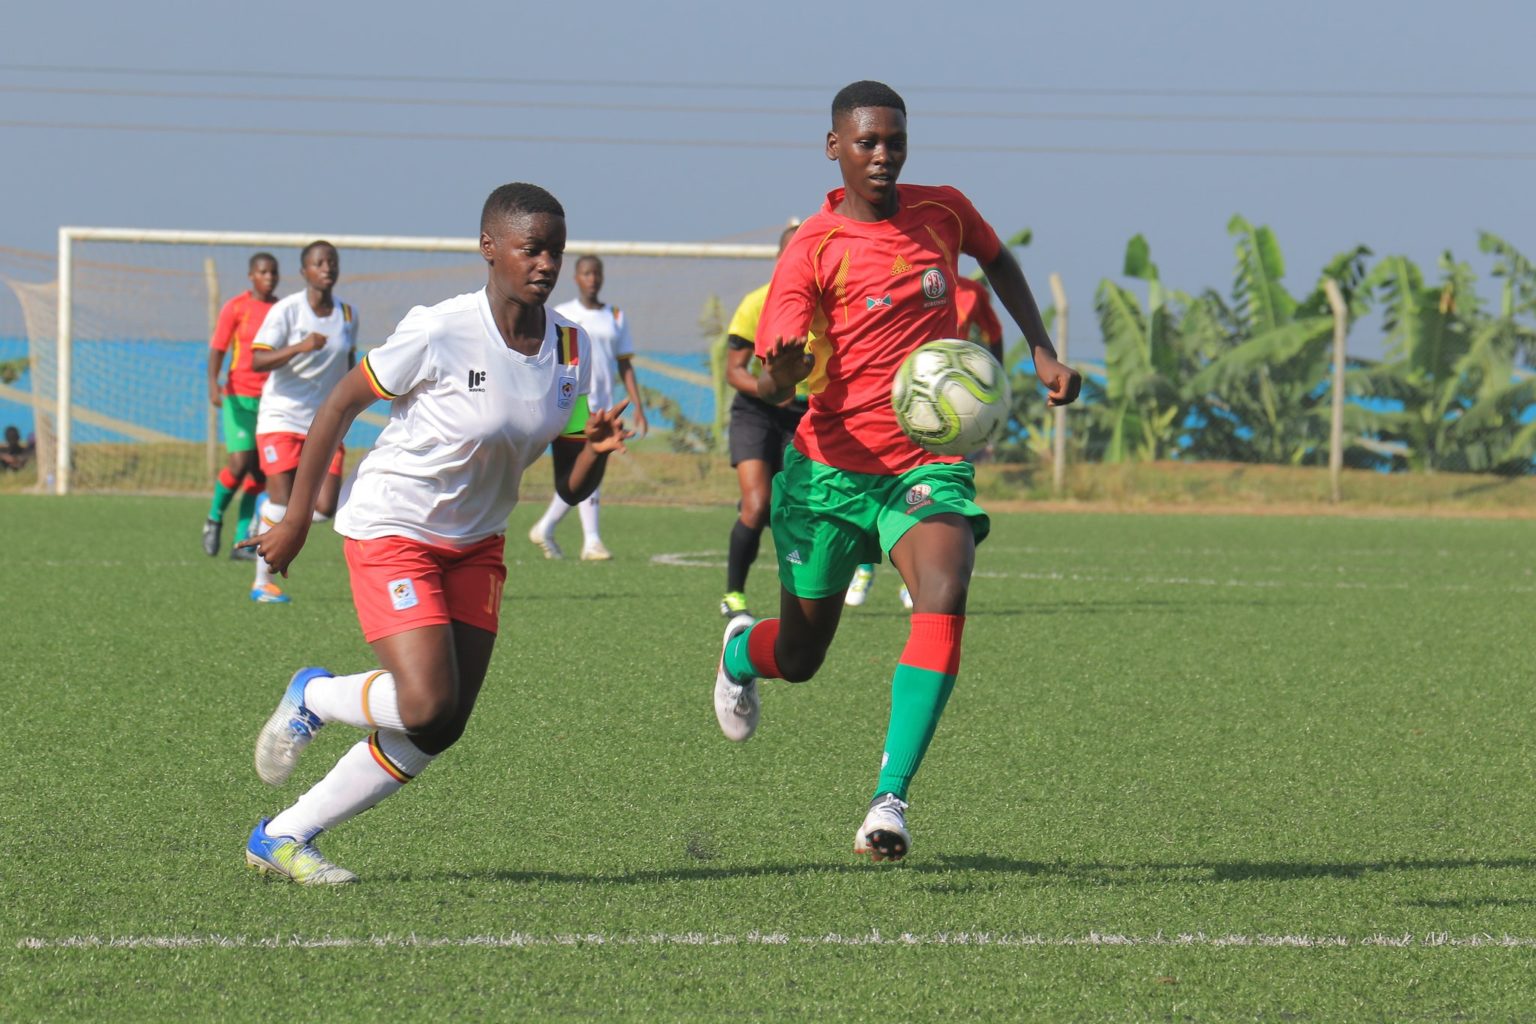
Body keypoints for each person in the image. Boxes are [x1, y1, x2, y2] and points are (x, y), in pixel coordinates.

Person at [712, 81, 1080, 862]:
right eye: (867, 143)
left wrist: (1042, 347)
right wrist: (782, 375)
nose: (883, 156)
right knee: (802, 658)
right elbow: (776, 382)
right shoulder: (811, 249)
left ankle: (890, 799)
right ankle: (743, 651)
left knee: (945, 588)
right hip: (829, 473)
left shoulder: (942, 210)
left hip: (925, 464)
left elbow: (1000, 258)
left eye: (895, 141)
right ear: (834, 148)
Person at [240, 182, 630, 884]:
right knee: (425, 702)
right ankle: (314, 695)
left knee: (440, 726)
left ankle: (284, 833)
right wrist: (297, 517)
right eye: (530, 248)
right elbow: (338, 404)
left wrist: (595, 453)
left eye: (555, 251)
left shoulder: (572, 349)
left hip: (477, 544)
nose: (546, 264)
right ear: (489, 248)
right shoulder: (442, 327)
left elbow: (570, 486)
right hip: (394, 524)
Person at [845, 274, 1005, 610]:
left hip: (957, 409)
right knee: (877, 485)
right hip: (908, 399)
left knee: (933, 497)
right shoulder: (903, 276)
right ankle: (863, 566)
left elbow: (995, 334)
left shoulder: (973, 292)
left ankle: (918, 575)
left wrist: (993, 388)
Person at [246, 241, 357, 604]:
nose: (327, 268)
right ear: (304, 271)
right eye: (319, 263)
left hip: (324, 423)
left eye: (332, 262)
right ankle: (262, 584)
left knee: (324, 508)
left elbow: (349, 365)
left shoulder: (348, 315)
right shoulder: (286, 311)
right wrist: (299, 347)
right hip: (281, 416)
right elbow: (258, 361)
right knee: (282, 507)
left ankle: (266, 507)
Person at [527, 254, 648, 560]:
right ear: (576, 278)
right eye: (586, 273)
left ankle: (547, 527)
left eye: (596, 273)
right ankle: (591, 541)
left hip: (605, 408)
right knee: (585, 467)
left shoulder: (616, 315)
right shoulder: (561, 314)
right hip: (574, 404)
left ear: (602, 277)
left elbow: (625, 364)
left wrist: (638, 405)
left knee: (589, 470)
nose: (592, 279)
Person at [719, 222, 805, 619]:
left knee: (792, 510)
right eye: (790, 253)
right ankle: (733, 594)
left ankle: (809, 593)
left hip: (804, 416)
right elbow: (734, 370)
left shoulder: (832, 305)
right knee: (756, 506)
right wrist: (771, 389)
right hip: (756, 410)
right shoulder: (757, 303)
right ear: (778, 259)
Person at [202, 252, 278, 561]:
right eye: (263, 272)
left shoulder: (281, 310)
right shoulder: (236, 307)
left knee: (260, 475)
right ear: (251, 276)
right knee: (239, 463)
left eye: (273, 272)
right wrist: (212, 383)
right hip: (237, 396)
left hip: (270, 401)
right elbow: (218, 347)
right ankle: (214, 517)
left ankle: (241, 540)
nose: (269, 277)